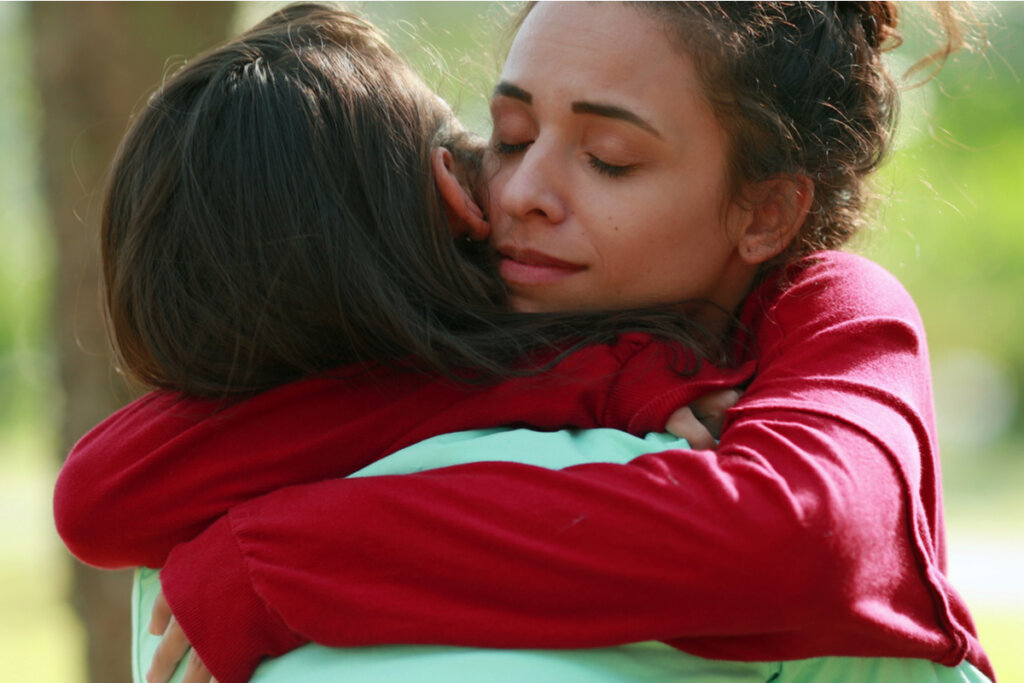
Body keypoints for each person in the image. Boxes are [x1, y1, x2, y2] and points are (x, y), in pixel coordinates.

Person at [54, 2, 996, 682]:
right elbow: (105, 493)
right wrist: (581, 379)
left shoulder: (826, 310)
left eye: (607, 158)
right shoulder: (513, 308)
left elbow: (800, 542)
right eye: (507, 133)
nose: (522, 192)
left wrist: (276, 565)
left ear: (765, 209)